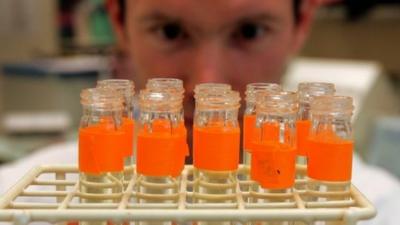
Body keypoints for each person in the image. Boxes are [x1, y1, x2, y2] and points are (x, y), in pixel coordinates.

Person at [0, 1, 399, 224]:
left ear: (302, 23)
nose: (208, 82)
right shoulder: (21, 198)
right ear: (118, 21)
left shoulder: (381, 208)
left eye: (250, 32)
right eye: (171, 32)